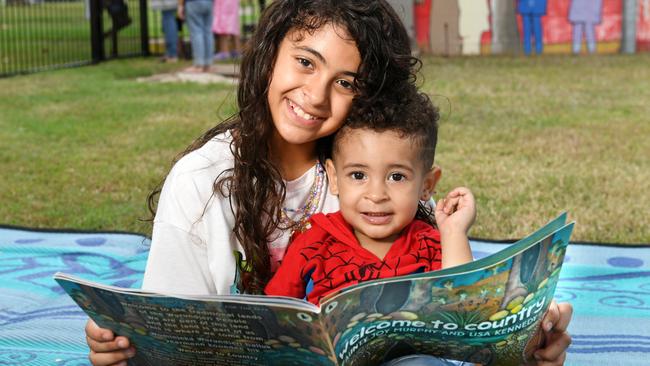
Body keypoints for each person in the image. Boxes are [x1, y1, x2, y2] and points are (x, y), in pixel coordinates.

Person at [84, 1, 573, 365]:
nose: (315, 95)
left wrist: (532, 330)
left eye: (346, 82)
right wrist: (124, 345)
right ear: (270, 53)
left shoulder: (361, 175)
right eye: (305, 61)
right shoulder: (201, 181)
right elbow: (171, 328)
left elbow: (452, 295)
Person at [265, 88, 477, 305]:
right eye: (358, 175)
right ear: (335, 178)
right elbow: (274, 310)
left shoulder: (432, 246)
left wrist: (454, 233)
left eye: (396, 177)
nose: (376, 195)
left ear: (427, 185)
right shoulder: (314, 242)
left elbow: (461, 307)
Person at [178, 0, 214, 72]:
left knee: (196, 32)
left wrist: (180, 5)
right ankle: (208, 64)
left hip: (193, 2)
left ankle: (199, 65)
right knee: (208, 32)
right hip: (209, 2)